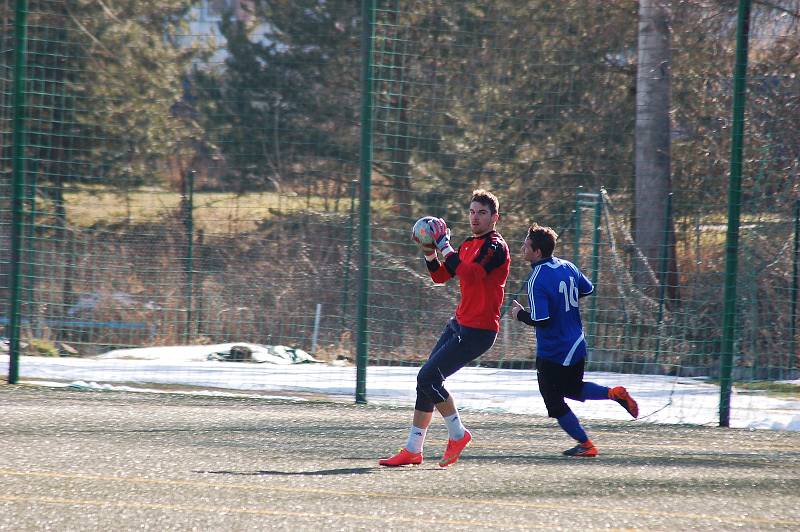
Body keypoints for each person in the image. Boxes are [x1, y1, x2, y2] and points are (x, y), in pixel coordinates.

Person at [379, 189, 510, 468]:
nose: (475, 217)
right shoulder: (466, 244)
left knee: (428, 378)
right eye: (472, 211)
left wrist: (445, 245)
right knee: (424, 382)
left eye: (482, 213)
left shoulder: (496, 246)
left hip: (479, 330)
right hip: (459, 324)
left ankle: (458, 434)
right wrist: (430, 252)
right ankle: (413, 449)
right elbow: (441, 276)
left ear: (495, 217)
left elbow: (471, 274)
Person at [511, 223, 638, 457]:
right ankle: (613, 393)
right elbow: (587, 289)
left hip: (555, 349)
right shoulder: (567, 265)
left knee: (554, 400)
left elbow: (542, 320)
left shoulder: (536, 278)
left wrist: (519, 314)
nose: (522, 249)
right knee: (572, 388)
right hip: (577, 343)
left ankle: (587, 445)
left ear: (537, 252)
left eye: (526, 245)